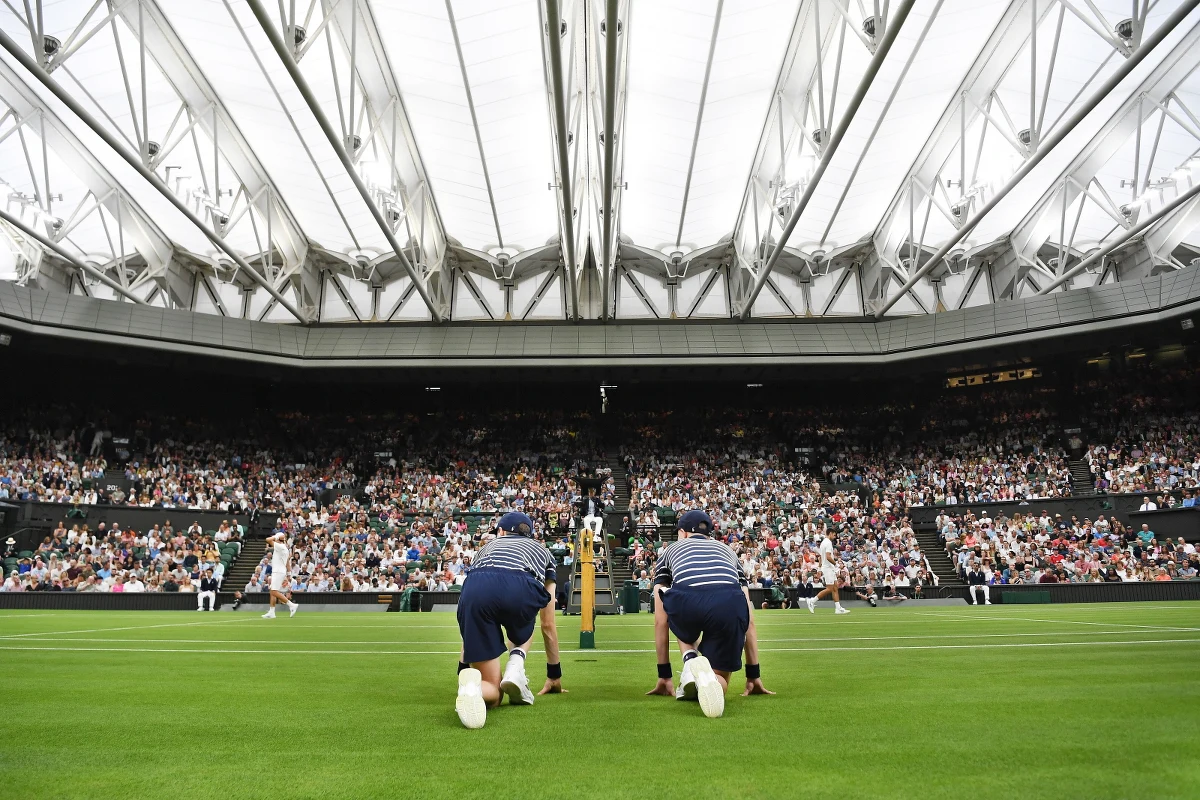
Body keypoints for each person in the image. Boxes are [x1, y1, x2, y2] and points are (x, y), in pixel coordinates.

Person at [644, 510, 773, 719]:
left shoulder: (671, 550)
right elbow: (748, 618)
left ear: (683, 533)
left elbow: (661, 620)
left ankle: (691, 660)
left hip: (687, 604)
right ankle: (709, 680)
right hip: (730, 603)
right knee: (720, 680)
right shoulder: (727, 551)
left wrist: (664, 675)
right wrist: (753, 674)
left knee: (670, 595)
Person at [454, 512, 564, 730]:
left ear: (501, 532)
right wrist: (554, 674)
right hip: (520, 586)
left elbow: (471, 617)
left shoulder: (485, 549)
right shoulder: (543, 551)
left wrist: (463, 667)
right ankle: (516, 666)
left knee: (493, 695)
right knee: (529, 612)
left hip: (475, 590)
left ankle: (472, 689)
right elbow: (548, 623)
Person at [806, 528, 849, 614]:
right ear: (830, 533)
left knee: (835, 587)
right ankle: (812, 601)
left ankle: (838, 608)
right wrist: (836, 565)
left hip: (828, 568)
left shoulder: (823, 543)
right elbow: (828, 557)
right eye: (834, 534)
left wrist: (819, 567)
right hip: (828, 568)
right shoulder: (828, 543)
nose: (835, 536)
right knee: (830, 588)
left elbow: (821, 557)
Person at [262, 533, 299, 619]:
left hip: (278, 572)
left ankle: (291, 605)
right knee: (272, 591)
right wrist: (289, 574)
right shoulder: (284, 548)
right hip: (279, 571)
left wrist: (276, 536)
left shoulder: (280, 546)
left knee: (274, 591)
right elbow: (287, 563)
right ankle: (272, 612)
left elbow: (267, 539)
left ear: (278, 540)